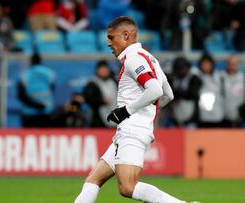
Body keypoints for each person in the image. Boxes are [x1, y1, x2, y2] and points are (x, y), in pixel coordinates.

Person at [74, 16, 196, 203]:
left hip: (132, 130)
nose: (108, 43)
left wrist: (126, 111)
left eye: (111, 37)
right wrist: (145, 112)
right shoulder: (150, 59)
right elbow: (167, 95)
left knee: (127, 187)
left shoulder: (133, 59)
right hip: (130, 130)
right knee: (93, 179)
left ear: (126, 35)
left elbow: (154, 89)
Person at [18, 53, 55, 127]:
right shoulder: (50, 73)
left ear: (31, 61)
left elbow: (21, 95)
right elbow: (52, 89)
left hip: (29, 112)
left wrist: (34, 105)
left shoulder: (25, 74)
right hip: (46, 111)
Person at [83, 60, 117, 128]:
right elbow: (88, 98)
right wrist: (101, 101)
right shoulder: (92, 83)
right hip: (98, 120)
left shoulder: (114, 82)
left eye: (106, 69)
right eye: (102, 69)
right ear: (97, 70)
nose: (104, 71)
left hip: (116, 116)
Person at [171, 56, 202, 127]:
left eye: (183, 67)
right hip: (176, 119)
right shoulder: (175, 79)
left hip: (190, 120)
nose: (182, 70)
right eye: (179, 68)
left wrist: (177, 91)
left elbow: (191, 94)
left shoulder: (194, 78)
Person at [197, 53, 224, 128]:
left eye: (208, 64)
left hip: (217, 116)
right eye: (203, 64)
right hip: (202, 117)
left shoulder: (219, 77)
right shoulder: (197, 77)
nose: (206, 66)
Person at [221, 55, 244, 127]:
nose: (231, 66)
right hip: (223, 117)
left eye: (234, 64)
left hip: (238, 118)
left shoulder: (242, 78)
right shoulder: (221, 77)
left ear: (238, 65)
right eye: (229, 64)